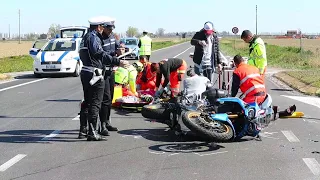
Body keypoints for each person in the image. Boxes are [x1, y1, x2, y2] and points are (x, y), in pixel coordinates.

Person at [78, 16, 129, 141]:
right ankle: (92, 132)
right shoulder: (93, 38)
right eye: (103, 26)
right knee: (95, 102)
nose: (104, 29)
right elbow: (99, 54)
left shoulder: (85, 37)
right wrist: (118, 61)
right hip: (94, 73)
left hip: (86, 71)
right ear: (99, 26)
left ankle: (85, 129)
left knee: (88, 101)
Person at [99, 17, 123, 136]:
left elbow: (118, 47)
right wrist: (113, 56)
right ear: (103, 27)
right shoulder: (99, 38)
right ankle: (102, 124)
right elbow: (101, 55)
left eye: (111, 29)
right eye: (108, 29)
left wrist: (120, 50)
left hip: (112, 71)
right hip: (102, 71)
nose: (110, 31)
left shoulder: (113, 37)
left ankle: (107, 121)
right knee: (105, 98)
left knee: (110, 98)